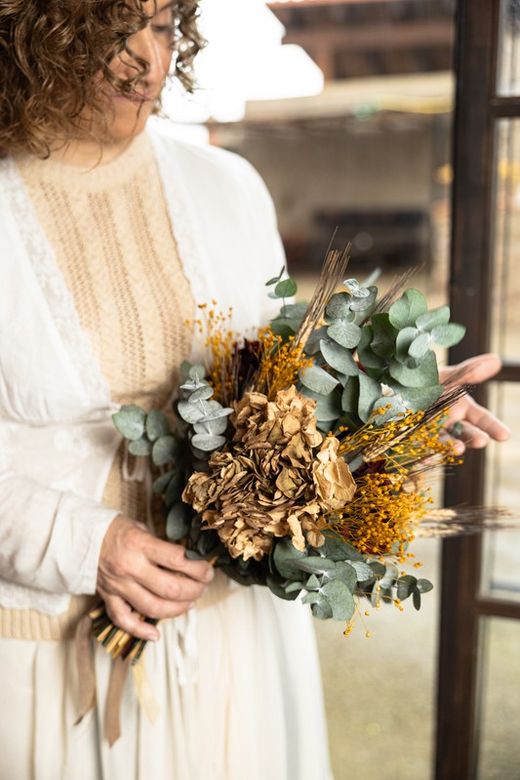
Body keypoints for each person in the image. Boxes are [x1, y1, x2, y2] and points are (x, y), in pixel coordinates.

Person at [0, 2, 510, 779]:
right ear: (38, 29)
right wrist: (83, 545)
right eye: (115, 26)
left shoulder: (228, 186)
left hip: (235, 644)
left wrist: (378, 409)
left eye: (163, 26)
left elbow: (274, 385)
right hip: (47, 655)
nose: (147, 59)